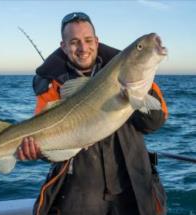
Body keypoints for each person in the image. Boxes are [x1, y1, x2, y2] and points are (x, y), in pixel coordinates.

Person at [17, 12, 168, 215]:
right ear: (63, 46)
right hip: (80, 191)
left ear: (96, 41)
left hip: (132, 183)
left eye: (88, 40)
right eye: (74, 42)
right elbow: (48, 144)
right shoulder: (52, 84)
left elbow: (155, 122)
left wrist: (137, 91)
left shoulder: (128, 70)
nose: (83, 48)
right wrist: (37, 151)